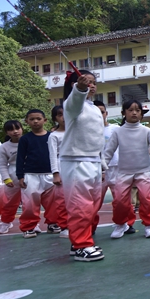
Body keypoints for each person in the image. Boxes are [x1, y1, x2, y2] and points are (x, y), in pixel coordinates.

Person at [59, 71, 109, 261]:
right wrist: (79, 89)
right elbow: (74, 102)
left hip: (93, 161)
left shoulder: (95, 109)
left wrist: (102, 164)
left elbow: (97, 140)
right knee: (80, 206)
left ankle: (78, 242)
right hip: (75, 160)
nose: (92, 85)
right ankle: (82, 245)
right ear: (74, 85)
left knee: (92, 206)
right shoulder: (72, 106)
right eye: (87, 82)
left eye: (94, 82)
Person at [103, 99, 150, 239]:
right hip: (123, 173)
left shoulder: (146, 131)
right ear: (124, 113)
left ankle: (149, 225)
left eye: (137, 110)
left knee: (146, 200)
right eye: (130, 110)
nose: (134, 112)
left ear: (141, 114)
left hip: (143, 172)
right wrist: (102, 169)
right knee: (120, 201)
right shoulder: (118, 132)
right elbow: (108, 152)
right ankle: (121, 224)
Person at [16, 109, 60, 239]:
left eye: (38, 119)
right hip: (31, 175)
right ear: (27, 122)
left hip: (50, 174)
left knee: (53, 203)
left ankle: (52, 223)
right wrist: (20, 176)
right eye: (32, 119)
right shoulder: (25, 139)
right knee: (29, 203)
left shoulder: (52, 136)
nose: (35, 121)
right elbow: (20, 158)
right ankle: (29, 227)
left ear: (45, 120)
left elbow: (57, 156)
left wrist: (57, 172)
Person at [0, 120, 24, 234]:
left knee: (30, 202)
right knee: (9, 202)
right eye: (11, 129)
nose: (15, 131)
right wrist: (6, 178)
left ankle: (32, 223)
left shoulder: (29, 141)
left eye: (17, 128)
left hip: (30, 174)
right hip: (13, 175)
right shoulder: (4, 147)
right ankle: (6, 222)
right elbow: (2, 164)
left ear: (22, 128)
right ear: (7, 132)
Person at [47, 105, 67, 238]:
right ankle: (65, 225)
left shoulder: (76, 131)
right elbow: (53, 155)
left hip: (77, 166)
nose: (64, 117)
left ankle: (79, 224)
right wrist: (56, 173)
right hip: (61, 167)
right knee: (62, 200)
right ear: (55, 119)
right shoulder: (54, 136)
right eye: (60, 115)